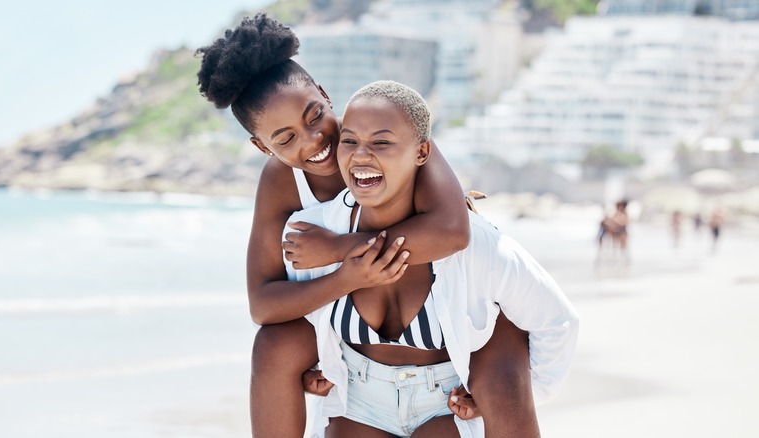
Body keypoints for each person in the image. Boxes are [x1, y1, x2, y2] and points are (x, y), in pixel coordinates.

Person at [195, 14, 535, 437]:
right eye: (285, 139)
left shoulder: (385, 134)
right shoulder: (282, 182)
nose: (313, 140)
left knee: (503, 336)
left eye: (314, 116)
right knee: (273, 344)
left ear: (324, 94)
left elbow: (452, 231)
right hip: (358, 355)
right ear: (262, 147)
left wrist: (339, 248)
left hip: (442, 342)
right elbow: (263, 304)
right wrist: (347, 277)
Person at [283, 81, 579, 437]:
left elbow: (557, 322)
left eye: (381, 142)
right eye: (349, 141)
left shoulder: (476, 245)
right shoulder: (315, 232)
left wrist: (524, 394)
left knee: (507, 334)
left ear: (422, 152)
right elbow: (295, 316)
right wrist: (316, 366)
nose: (360, 155)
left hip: (446, 403)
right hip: (358, 403)